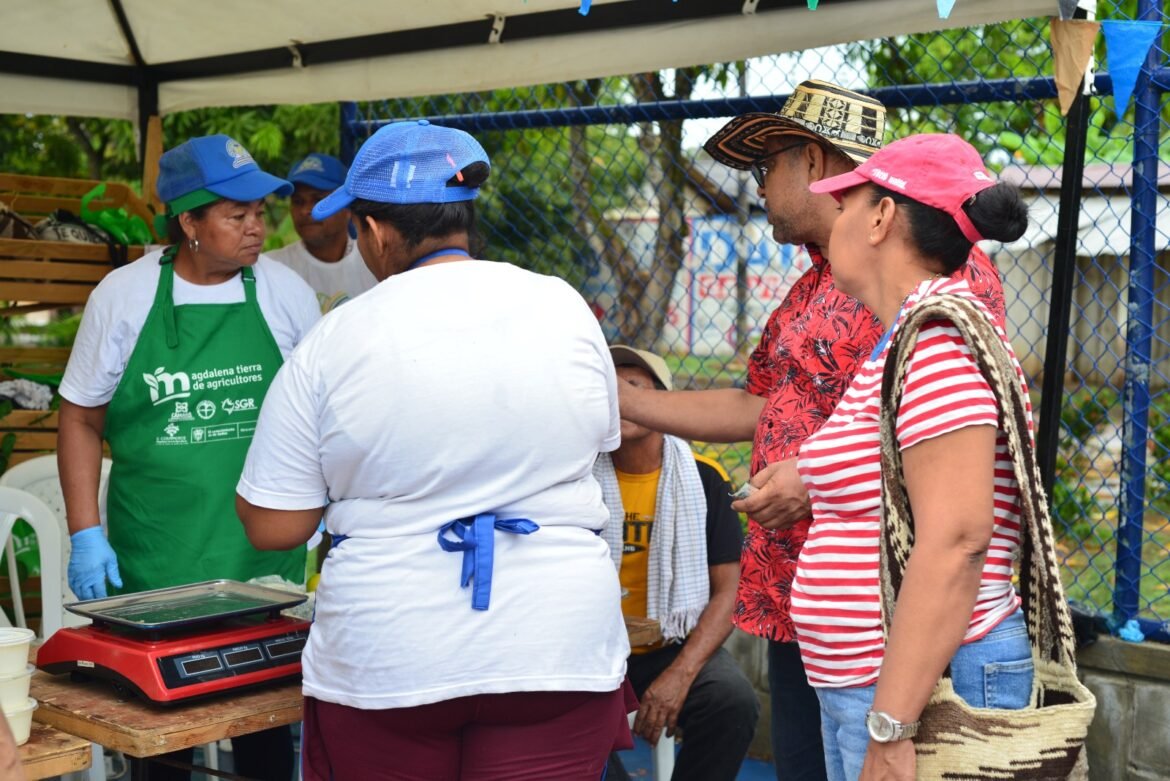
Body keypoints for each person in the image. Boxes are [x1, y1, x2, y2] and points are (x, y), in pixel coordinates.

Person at [615, 79, 1006, 781]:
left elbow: (952, 482)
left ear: (819, 165)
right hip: (806, 602)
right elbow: (762, 403)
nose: (760, 188)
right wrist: (632, 405)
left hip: (888, 619)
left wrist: (814, 478)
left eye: (768, 168)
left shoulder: (935, 284)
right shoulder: (816, 285)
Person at [235, 119, 634, 781]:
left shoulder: (337, 339)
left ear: (376, 231)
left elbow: (276, 523)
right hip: (553, 641)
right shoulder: (563, 308)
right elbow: (597, 441)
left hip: (393, 656)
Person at [57, 133, 320, 781]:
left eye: (262, 211)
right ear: (190, 222)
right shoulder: (123, 296)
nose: (258, 226)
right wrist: (86, 532)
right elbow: (81, 418)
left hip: (263, 559)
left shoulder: (284, 294)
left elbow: (325, 418)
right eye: (237, 214)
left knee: (264, 722)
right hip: (158, 553)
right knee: (160, 737)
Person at [793, 132, 1032, 781]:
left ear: (880, 217)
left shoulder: (937, 348)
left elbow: (955, 542)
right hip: (874, 685)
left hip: (919, 692)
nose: (832, 221)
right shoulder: (907, 341)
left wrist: (892, 725)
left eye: (844, 205)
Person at [598, 346, 759, 781]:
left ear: (665, 403)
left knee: (733, 700)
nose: (621, 399)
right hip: (592, 649)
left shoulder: (703, 478)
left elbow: (730, 589)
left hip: (669, 646)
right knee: (559, 711)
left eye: (635, 387)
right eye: (610, 388)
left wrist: (681, 673)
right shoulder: (575, 475)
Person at [268, 152, 377, 311]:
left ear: (346, 206)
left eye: (318, 199)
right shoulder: (273, 268)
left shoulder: (374, 263)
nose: (306, 210)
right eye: (298, 201)